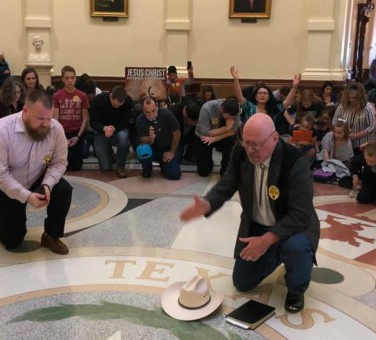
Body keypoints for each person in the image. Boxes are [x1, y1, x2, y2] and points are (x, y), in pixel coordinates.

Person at [179, 114, 319, 313]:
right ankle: (278, 250)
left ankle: (296, 288)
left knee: (295, 247)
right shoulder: (240, 152)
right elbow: (228, 183)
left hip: (293, 227)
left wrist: (268, 239)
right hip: (258, 226)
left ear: (275, 138)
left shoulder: (295, 162)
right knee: (242, 282)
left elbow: (301, 214)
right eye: (246, 142)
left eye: (257, 144)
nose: (251, 150)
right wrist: (208, 204)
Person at [0, 89, 73, 254]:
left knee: (63, 190)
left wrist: (47, 185)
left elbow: (59, 162)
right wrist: (26, 196)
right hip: (3, 187)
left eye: (49, 118)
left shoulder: (55, 129)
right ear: (25, 111)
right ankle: (5, 219)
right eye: (40, 119)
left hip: (36, 177)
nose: (46, 124)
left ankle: (51, 235)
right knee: (12, 240)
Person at [89, 86, 133, 178]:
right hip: (101, 131)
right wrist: (104, 128)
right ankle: (110, 155)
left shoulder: (128, 101)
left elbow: (126, 121)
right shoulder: (97, 100)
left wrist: (114, 128)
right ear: (111, 96)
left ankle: (120, 166)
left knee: (123, 137)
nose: (117, 107)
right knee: (105, 168)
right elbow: (93, 122)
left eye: (120, 105)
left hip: (118, 130)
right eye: (115, 104)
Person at [53, 66, 89, 171]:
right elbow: (55, 118)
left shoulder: (82, 96)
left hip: (77, 133)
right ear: (63, 79)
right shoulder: (57, 96)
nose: (70, 80)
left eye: (72, 77)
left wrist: (78, 136)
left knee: (76, 166)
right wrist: (61, 137)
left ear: (75, 78)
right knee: (62, 165)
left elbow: (85, 118)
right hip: (62, 133)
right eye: (67, 78)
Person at [136, 97, 181, 179]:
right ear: (143, 110)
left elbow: (177, 133)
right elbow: (143, 140)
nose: (151, 115)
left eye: (153, 111)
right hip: (151, 150)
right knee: (142, 149)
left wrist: (172, 152)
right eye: (147, 112)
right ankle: (147, 167)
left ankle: (164, 166)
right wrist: (151, 138)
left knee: (174, 175)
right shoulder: (140, 120)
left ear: (157, 106)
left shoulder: (167, 114)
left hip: (166, 149)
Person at [194, 98, 241, 177]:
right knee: (203, 172)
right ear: (222, 109)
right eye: (228, 117)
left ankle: (225, 170)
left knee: (230, 141)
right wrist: (226, 128)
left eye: (232, 117)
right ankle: (208, 163)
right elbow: (205, 132)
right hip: (204, 136)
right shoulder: (207, 108)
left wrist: (215, 138)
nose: (231, 118)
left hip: (223, 137)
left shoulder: (235, 109)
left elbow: (233, 131)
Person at [332, 84, 376, 155]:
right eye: (349, 97)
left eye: (354, 98)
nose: (351, 100)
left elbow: (372, 126)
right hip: (345, 143)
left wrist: (356, 135)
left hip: (361, 145)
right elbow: (335, 122)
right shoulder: (341, 107)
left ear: (360, 97)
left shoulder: (368, 108)